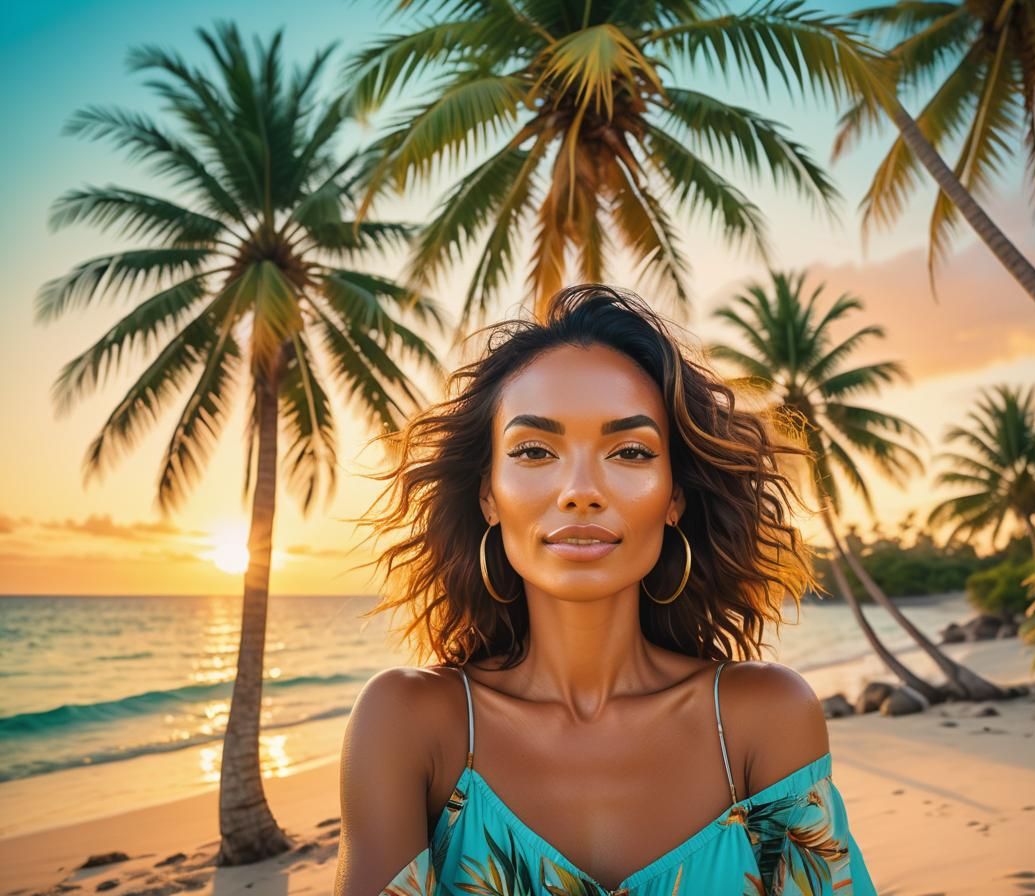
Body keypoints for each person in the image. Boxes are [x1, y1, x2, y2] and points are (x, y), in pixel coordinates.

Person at [334, 284, 877, 896]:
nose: (581, 490)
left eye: (630, 451)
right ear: (488, 494)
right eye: (535, 450)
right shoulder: (411, 725)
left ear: (674, 497)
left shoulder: (762, 719)